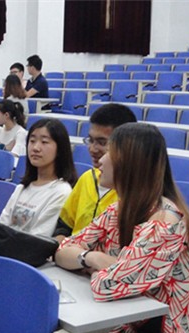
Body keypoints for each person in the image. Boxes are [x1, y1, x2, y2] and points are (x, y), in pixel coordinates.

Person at [55, 122, 189, 333]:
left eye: (108, 152)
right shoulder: (119, 209)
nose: (100, 160)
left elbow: (107, 287)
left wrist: (90, 265)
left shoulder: (165, 223)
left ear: (129, 163)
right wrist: (94, 258)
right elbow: (63, 250)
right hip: (118, 329)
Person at [53, 103, 137, 242]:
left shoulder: (136, 192)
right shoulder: (87, 178)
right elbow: (64, 226)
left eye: (102, 143)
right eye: (90, 140)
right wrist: (59, 242)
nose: (92, 149)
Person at [0, 118, 76, 237]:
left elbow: (39, 238)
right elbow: (1, 227)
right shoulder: (22, 188)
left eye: (44, 142)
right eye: (32, 141)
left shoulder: (61, 192)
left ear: (60, 148)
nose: (35, 148)